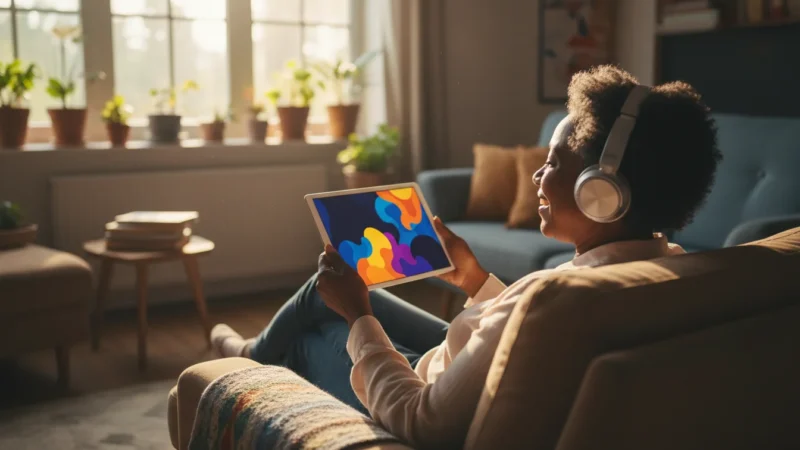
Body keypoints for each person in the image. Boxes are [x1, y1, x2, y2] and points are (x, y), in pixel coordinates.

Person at [210, 65, 721, 449]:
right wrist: (477, 281)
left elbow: (419, 417)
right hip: (473, 365)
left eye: (552, 163)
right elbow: (527, 329)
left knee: (327, 320)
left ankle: (249, 364)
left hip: (423, 389)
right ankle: (251, 350)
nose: (539, 178)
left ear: (601, 191)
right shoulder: (667, 266)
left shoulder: (550, 297)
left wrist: (360, 315)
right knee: (328, 295)